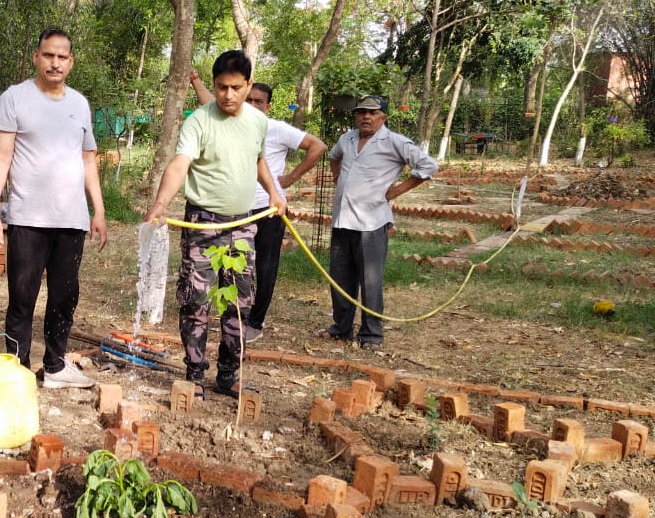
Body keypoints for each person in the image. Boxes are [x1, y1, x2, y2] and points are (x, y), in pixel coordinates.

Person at [144, 50, 286, 398]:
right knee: (196, 302)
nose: (228, 95)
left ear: (248, 84)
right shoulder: (199, 121)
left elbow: (258, 161)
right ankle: (194, 375)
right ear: (214, 84)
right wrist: (161, 203)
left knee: (240, 303)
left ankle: (228, 374)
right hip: (203, 224)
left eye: (236, 87)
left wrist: (274, 193)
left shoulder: (257, 122)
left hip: (244, 226)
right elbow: (179, 164)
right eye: (221, 87)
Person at [0, 28, 107, 388]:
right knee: (23, 296)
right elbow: (1, 158)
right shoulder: (15, 98)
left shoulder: (79, 104)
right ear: (36, 57)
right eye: (48, 55)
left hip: (71, 219)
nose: (55, 62)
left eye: (62, 56)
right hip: (29, 218)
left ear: (71, 62)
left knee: (65, 295)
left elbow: (88, 160)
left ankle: (54, 366)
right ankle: (19, 373)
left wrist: (97, 210)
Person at [189, 76, 327, 343]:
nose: (252, 105)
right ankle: (231, 314)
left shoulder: (275, 128)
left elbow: (317, 147)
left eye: (259, 102)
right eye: (249, 99)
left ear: (268, 106)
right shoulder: (228, 124)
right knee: (229, 263)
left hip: (267, 210)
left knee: (264, 266)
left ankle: (255, 321)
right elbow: (209, 103)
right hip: (234, 208)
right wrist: (195, 80)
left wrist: (288, 180)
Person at [319, 95, 438, 350]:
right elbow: (334, 156)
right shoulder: (347, 139)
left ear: (383, 117)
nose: (366, 117)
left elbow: (428, 166)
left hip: (371, 223)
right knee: (340, 279)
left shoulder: (393, 142)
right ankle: (341, 328)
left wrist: (397, 190)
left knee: (370, 280)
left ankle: (371, 334)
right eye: (361, 112)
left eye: (372, 113)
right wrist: (337, 175)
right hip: (342, 220)